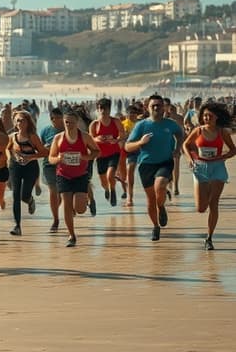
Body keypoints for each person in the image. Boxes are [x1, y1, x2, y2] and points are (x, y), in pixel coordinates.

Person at [125, 94, 184, 242]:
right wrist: (140, 142)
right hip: (146, 165)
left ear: (164, 108)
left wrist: (178, 148)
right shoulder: (141, 125)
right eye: (153, 106)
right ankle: (155, 226)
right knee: (151, 199)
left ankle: (161, 207)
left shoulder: (170, 124)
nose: (156, 108)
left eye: (159, 105)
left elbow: (180, 134)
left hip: (165, 162)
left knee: (160, 184)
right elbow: (127, 146)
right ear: (148, 108)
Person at [182, 102, 235, 250]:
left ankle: (209, 238)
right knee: (201, 208)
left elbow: (233, 150)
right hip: (200, 168)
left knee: (214, 203)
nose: (207, 118)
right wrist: (190, 159)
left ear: (216, 117)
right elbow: (185, 145)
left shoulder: (222, 132)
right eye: (205, 115)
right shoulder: (198, 131)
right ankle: (201, 187)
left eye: (210, 116)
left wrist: (222, 157)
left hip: (217, 168)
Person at [48, 108, 100, 247]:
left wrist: (85, 157)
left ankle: (86, 201)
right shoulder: (58, 138)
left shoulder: (85, 137)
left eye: (71, 122)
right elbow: (51, 158)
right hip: (63, 175)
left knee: (80, 209)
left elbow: (96, 152)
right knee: (66, 205)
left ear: (77, 122)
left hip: (80, 175)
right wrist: (59, 158)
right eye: (66, 122)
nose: (69, 125)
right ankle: (71, 235)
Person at [6, 110, 48, 236]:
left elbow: (44, 152)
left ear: (28, 122)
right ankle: (17, 226)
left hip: (31, 168)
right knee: (15, 195)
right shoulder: (12, 137)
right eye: (17, 121)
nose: (20, 123)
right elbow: (7, 149)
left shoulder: (33, 137)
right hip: (15, 167)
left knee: (24, 195)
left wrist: (30, 157)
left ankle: (30, 200)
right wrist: (10, 158)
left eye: (22, 120)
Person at [89, 98, 125, 207]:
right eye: (100, 108)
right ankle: (107, 189)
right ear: (97, 110)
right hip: (100, 155)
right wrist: (97, 139)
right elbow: (90, 139)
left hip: (114, 152)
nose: (103, 111)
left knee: (110, 174)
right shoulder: (94, 124)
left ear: (109, 109)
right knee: (103, 181)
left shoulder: (116, 121)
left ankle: (113, 191)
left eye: (105, 108)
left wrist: (116, 140)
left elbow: (122, 134)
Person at [39, 108, 65, 232]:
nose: (57, 120)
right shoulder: (45, 131)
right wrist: (45, 148)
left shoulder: (67, 129)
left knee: (62, 193)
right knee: (53, 191)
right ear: (51, 119)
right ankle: (55, 220)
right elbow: (39, 148)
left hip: (64, 164)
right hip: (49, 164)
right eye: (54, 118)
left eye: (60, 118)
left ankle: (65, 209)